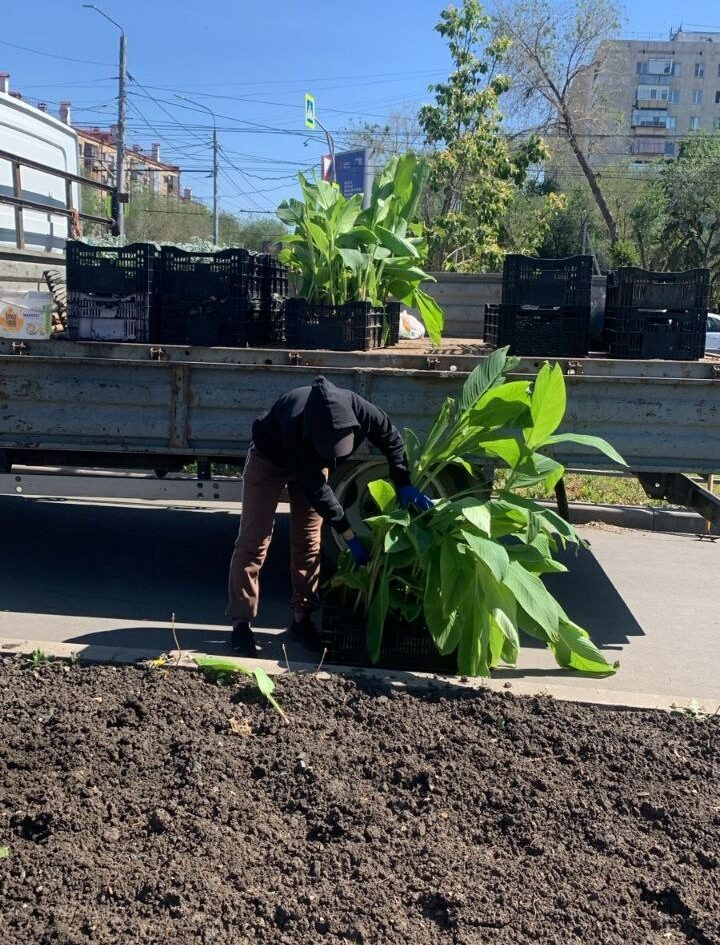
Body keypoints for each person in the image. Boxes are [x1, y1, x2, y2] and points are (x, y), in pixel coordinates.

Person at [226, 375, 432, 656]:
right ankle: (241, 623)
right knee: (255, 539)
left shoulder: (362, 410)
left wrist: (404, 482)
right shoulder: (294, 420)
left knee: (309, 542)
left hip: (312, 463)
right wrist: (349, 535)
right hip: (269, 459)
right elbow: (318, 491)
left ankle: (302, 618)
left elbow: (393, 442)